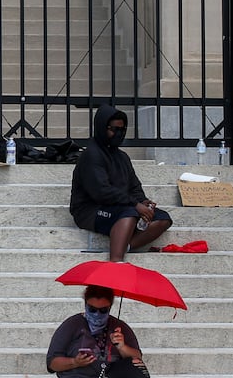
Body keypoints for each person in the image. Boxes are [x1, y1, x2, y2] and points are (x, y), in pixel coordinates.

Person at [46, 285, 172, 378]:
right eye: (92, 309)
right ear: (85, 305)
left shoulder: (119, 327)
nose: (97, 314)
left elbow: (137, 357)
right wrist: (75, 362)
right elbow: (52, 363)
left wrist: (122, 346)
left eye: (103, 310)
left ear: (110, 307)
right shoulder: (72, 325)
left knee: (134, 363)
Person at [69, 105, 172, 261]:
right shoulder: (92, 154)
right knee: (129, 213)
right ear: (102, 128)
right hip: (90, 210)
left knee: (162, 218)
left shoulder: (122, 157)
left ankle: (125, 246)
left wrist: (143, 202)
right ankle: (116, 262)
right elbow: (101, 192)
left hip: (120, 206)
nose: (118, 134)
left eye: (122, 130)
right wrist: (135, 205)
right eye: (114, 129)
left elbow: (134, 187)